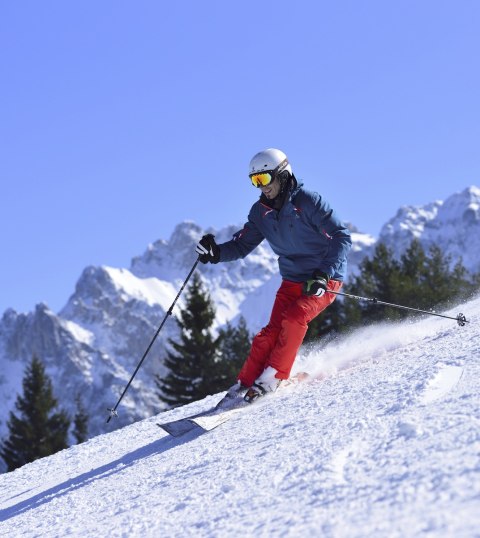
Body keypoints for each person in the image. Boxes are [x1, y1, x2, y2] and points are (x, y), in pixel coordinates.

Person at [195, 148, 352, 403]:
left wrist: (324, 274)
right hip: (292, 280)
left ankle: (271, 379)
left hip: (323, 279)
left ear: (283, 175)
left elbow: (341, 237)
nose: (261, 187)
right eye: (255, 182)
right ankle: (244, 383)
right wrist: (215, 253)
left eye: (265, 179)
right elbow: (241, 246)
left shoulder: (308, 202)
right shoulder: (260, 213)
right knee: (270, 333)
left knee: (295, 318)